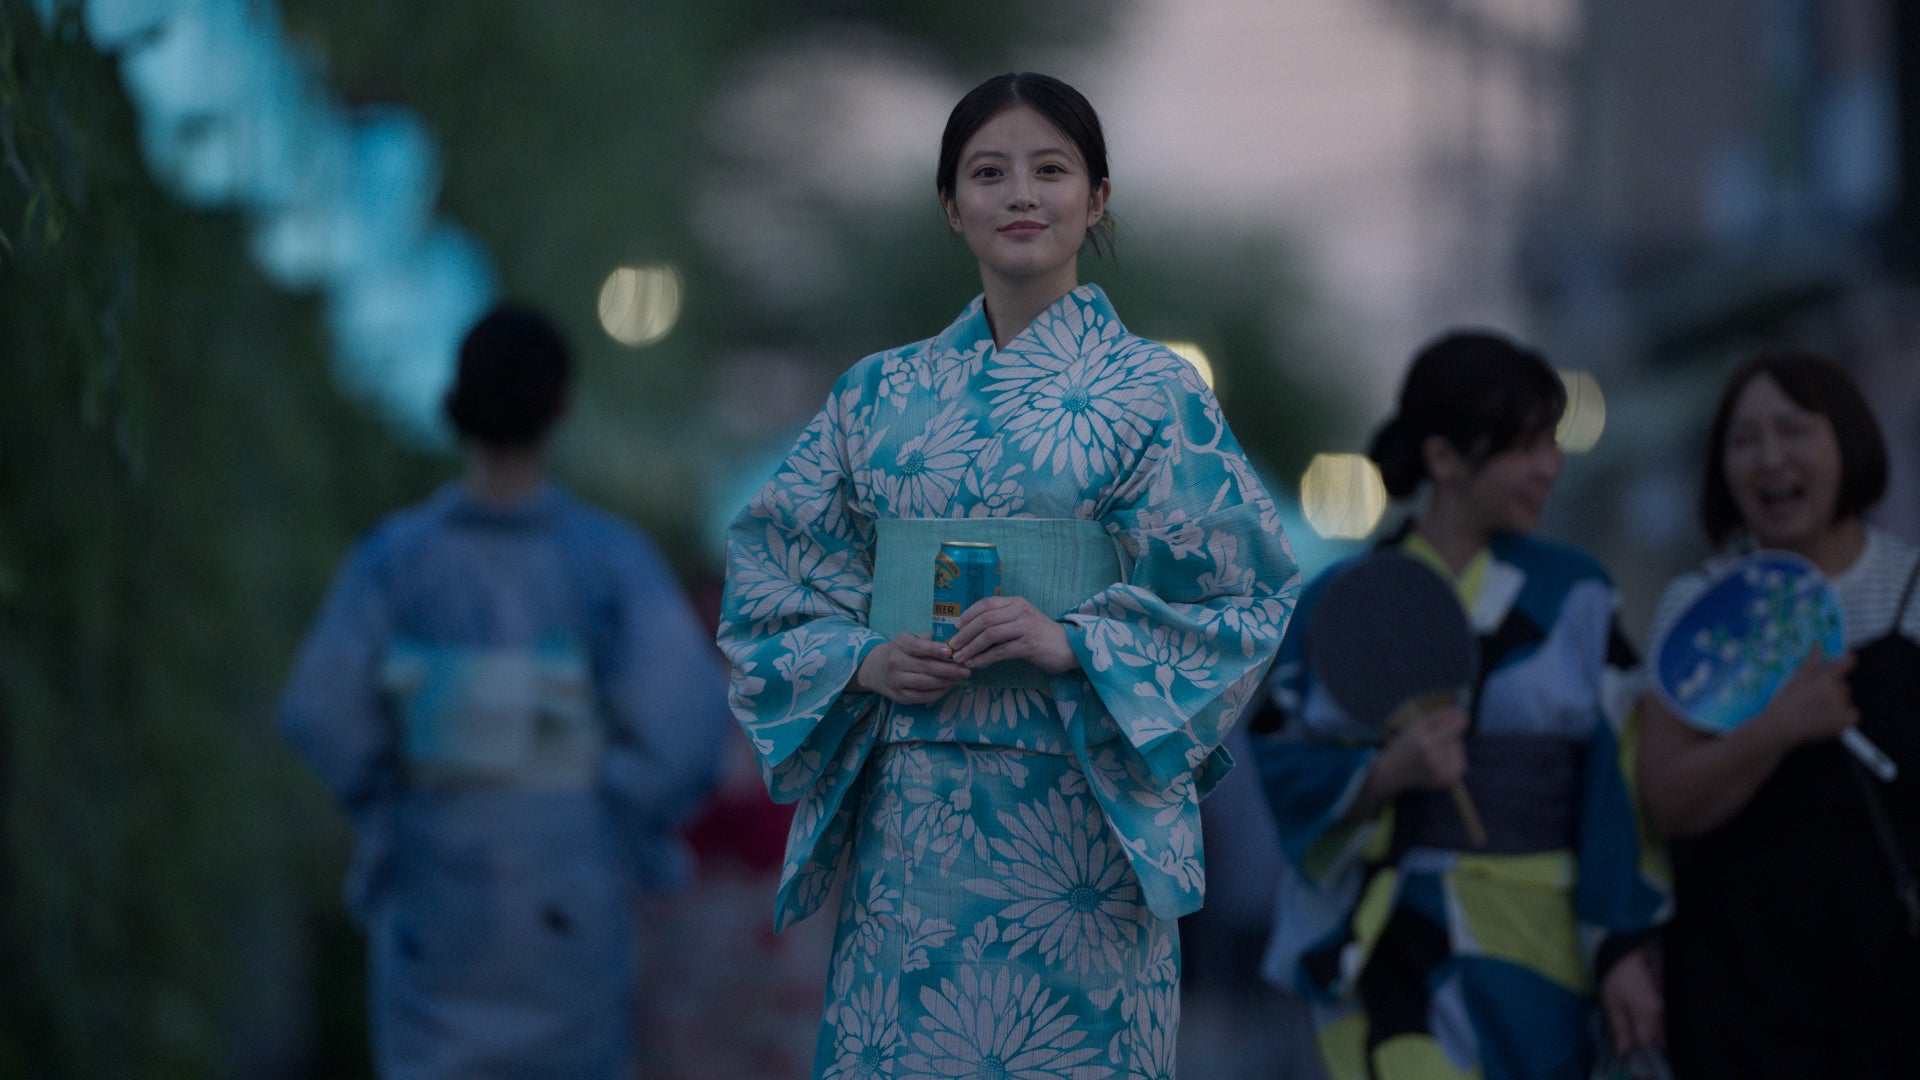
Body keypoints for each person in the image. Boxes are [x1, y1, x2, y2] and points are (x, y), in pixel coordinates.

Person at [717, 72, 1298, 1078]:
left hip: (1080, 841)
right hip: (914, 834)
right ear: (952, 205)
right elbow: (771, 578)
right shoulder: (875, 395)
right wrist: (862, 661)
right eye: (988, 173)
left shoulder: (1157, 397)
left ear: (1098, 197)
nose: (1020, 195)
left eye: (1051, 170)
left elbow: (1246, 594)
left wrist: (1076, 640)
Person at [276, 303, 730, 1079]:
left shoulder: (396, 559)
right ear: (562, 406)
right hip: (568, 878)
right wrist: (612, 805)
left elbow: (322, 708)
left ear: (458, 402)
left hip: (435, 867)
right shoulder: (606, 560)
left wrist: (389, 803)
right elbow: (685, 719)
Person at [1251, 331, 1667, 1080]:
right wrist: (1386, 776)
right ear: (1444, 460)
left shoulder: (1577, 595)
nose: (1550, 466)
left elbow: (1619, 779)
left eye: (1553, 441)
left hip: (1543, 941)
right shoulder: (1339, 603)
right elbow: (1281, 749)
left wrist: (1622, 941)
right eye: (1526, 445)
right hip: (1392, 936)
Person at [1636, 348, 1920, 1078]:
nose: (1769, 458)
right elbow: (1667, 800)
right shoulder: (1696, 610)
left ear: (1848, 442)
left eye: (1794, 431)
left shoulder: (1912, 590)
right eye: (1743, 440)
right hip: (1749, 1005)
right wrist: (1778, 727)